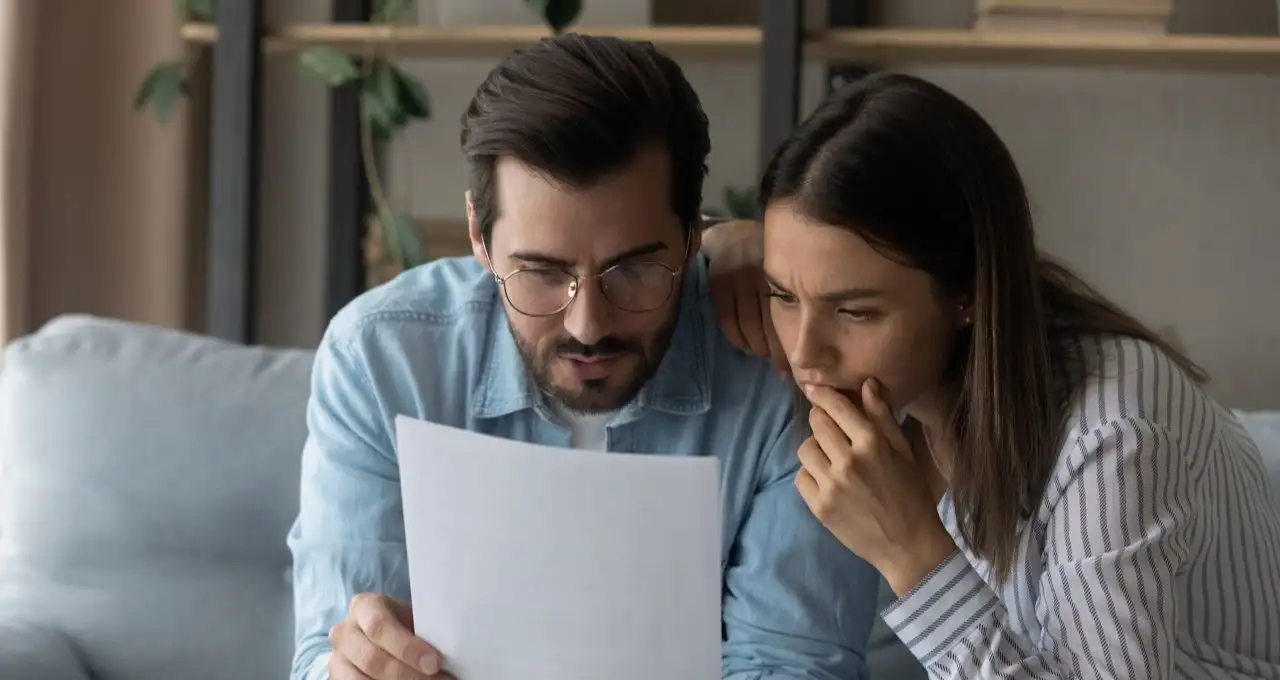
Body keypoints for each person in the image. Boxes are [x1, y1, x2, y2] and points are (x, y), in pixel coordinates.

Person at [286, 33, 883, 680]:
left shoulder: (777, 365)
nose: (587, 325)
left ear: (693, 234)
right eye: (540, 272)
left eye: (633, 270)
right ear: (478, 238)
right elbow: (329, 647)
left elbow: (792, 664)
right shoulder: (380, 362)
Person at [716, 71, 1280, 678]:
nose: (805, 352)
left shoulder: (1114, 435)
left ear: (967, 292)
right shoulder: (913, 403)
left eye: (854, 310)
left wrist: (914, 555)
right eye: (783, 296)